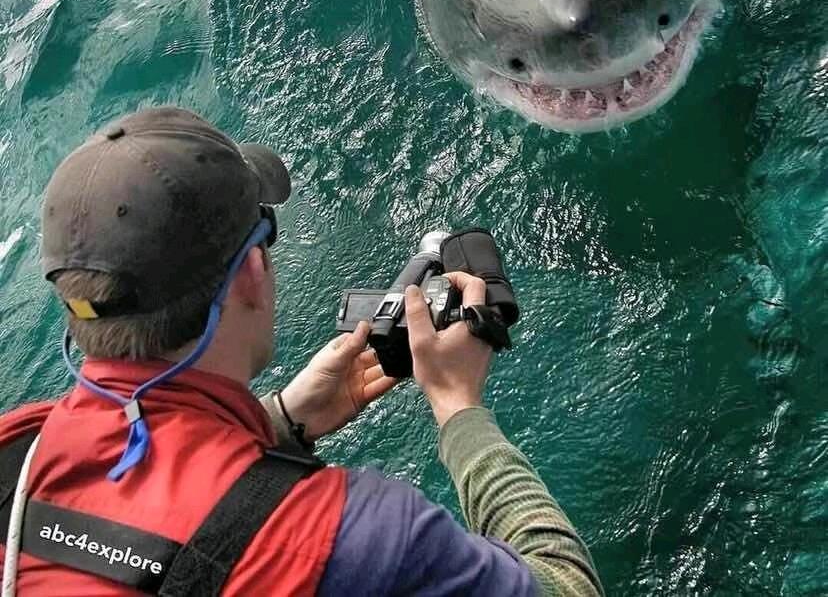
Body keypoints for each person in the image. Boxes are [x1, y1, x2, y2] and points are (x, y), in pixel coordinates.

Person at [0, 106, 603, 596]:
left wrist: (283, 421)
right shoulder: (347, 536)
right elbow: (567, 588)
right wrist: (458, 407)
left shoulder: (16, 454)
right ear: (251, 271)